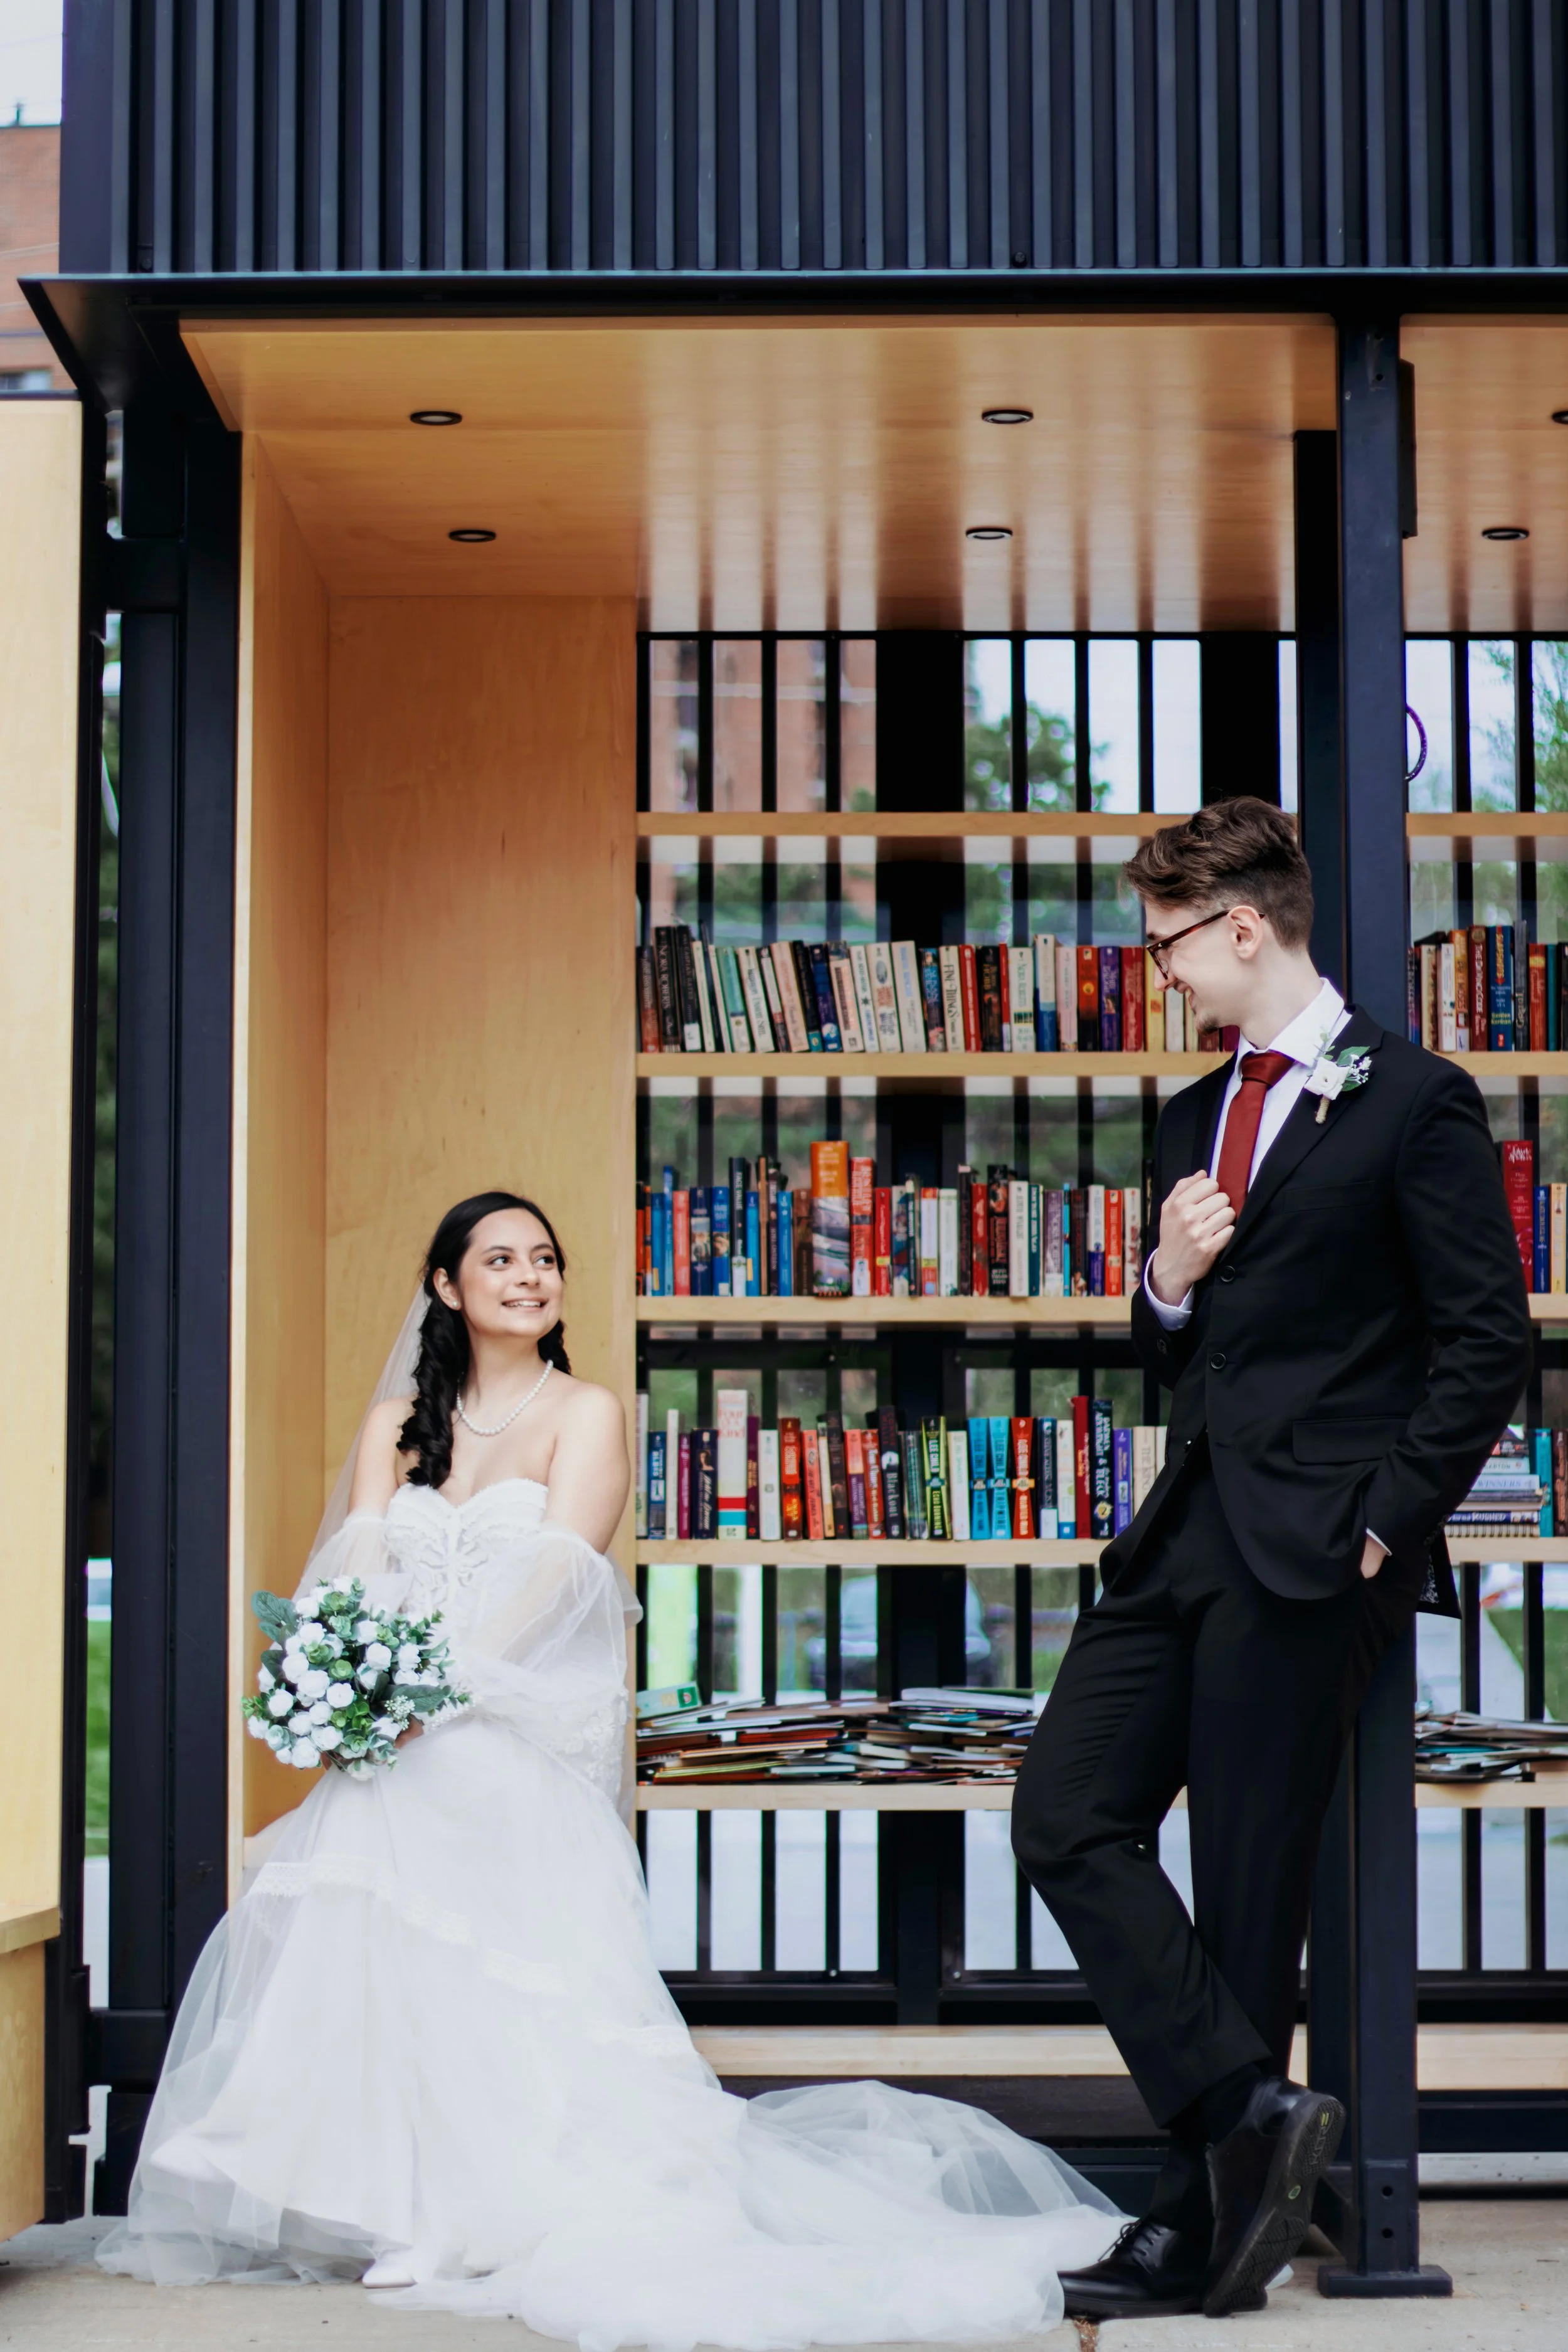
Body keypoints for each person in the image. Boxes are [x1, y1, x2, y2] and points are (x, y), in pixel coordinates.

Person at [100, 1188, 1121, 2346]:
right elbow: (353, 1571)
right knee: (366, 1848)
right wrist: (353, 1686)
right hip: (405, 1729)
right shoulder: (396, 1421)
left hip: (502, 1721)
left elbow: (561, 1574)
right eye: (499, 1260)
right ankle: (404, 2198)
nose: (529, 1276)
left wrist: (437, 1695)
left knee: (431, 1807)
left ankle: (477, 2205)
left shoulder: (584, 1411)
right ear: (447, 1287)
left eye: (545, 1258)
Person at [1011, 798, 1532, 2322]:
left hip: (1320, 1551)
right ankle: (1248, 2110)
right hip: (1183, 1538)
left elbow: (1483, 1338)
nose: (1154, 968)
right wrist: (1163, 1280)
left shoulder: (1412, 1100)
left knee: (1247, 1894)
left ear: (1242, 925)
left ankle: (1202, 2236)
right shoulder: (1184, 1119)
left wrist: (1385, 1518)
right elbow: (1174, 1358)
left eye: (1163, 940)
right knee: (1063, 1811)